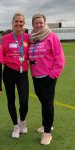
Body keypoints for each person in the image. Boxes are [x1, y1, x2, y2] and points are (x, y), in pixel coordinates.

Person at [28, 13, 65, 145]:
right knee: (44, 102)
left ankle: (47, 132)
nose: (38, 25)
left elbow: (60, 58)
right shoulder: (32, 38)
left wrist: (53, 75)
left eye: (40, 22)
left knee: (47, 103)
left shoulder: (51, 36)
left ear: (44, 23)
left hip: (48, 77)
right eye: (36, 23)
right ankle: (47, 124)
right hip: (36, 76)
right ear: (32, 24)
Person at [1, 12, 29, 139]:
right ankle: (16, 125)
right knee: (11, 99)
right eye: (16, 21)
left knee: (24, 101)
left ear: (24, 23)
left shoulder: (28, 38)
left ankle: (22, 120)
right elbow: (0, 56)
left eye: (21, 21)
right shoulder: (5, 38)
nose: (18, 23)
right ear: (12, 23)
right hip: (9, 72)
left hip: (23, 72)